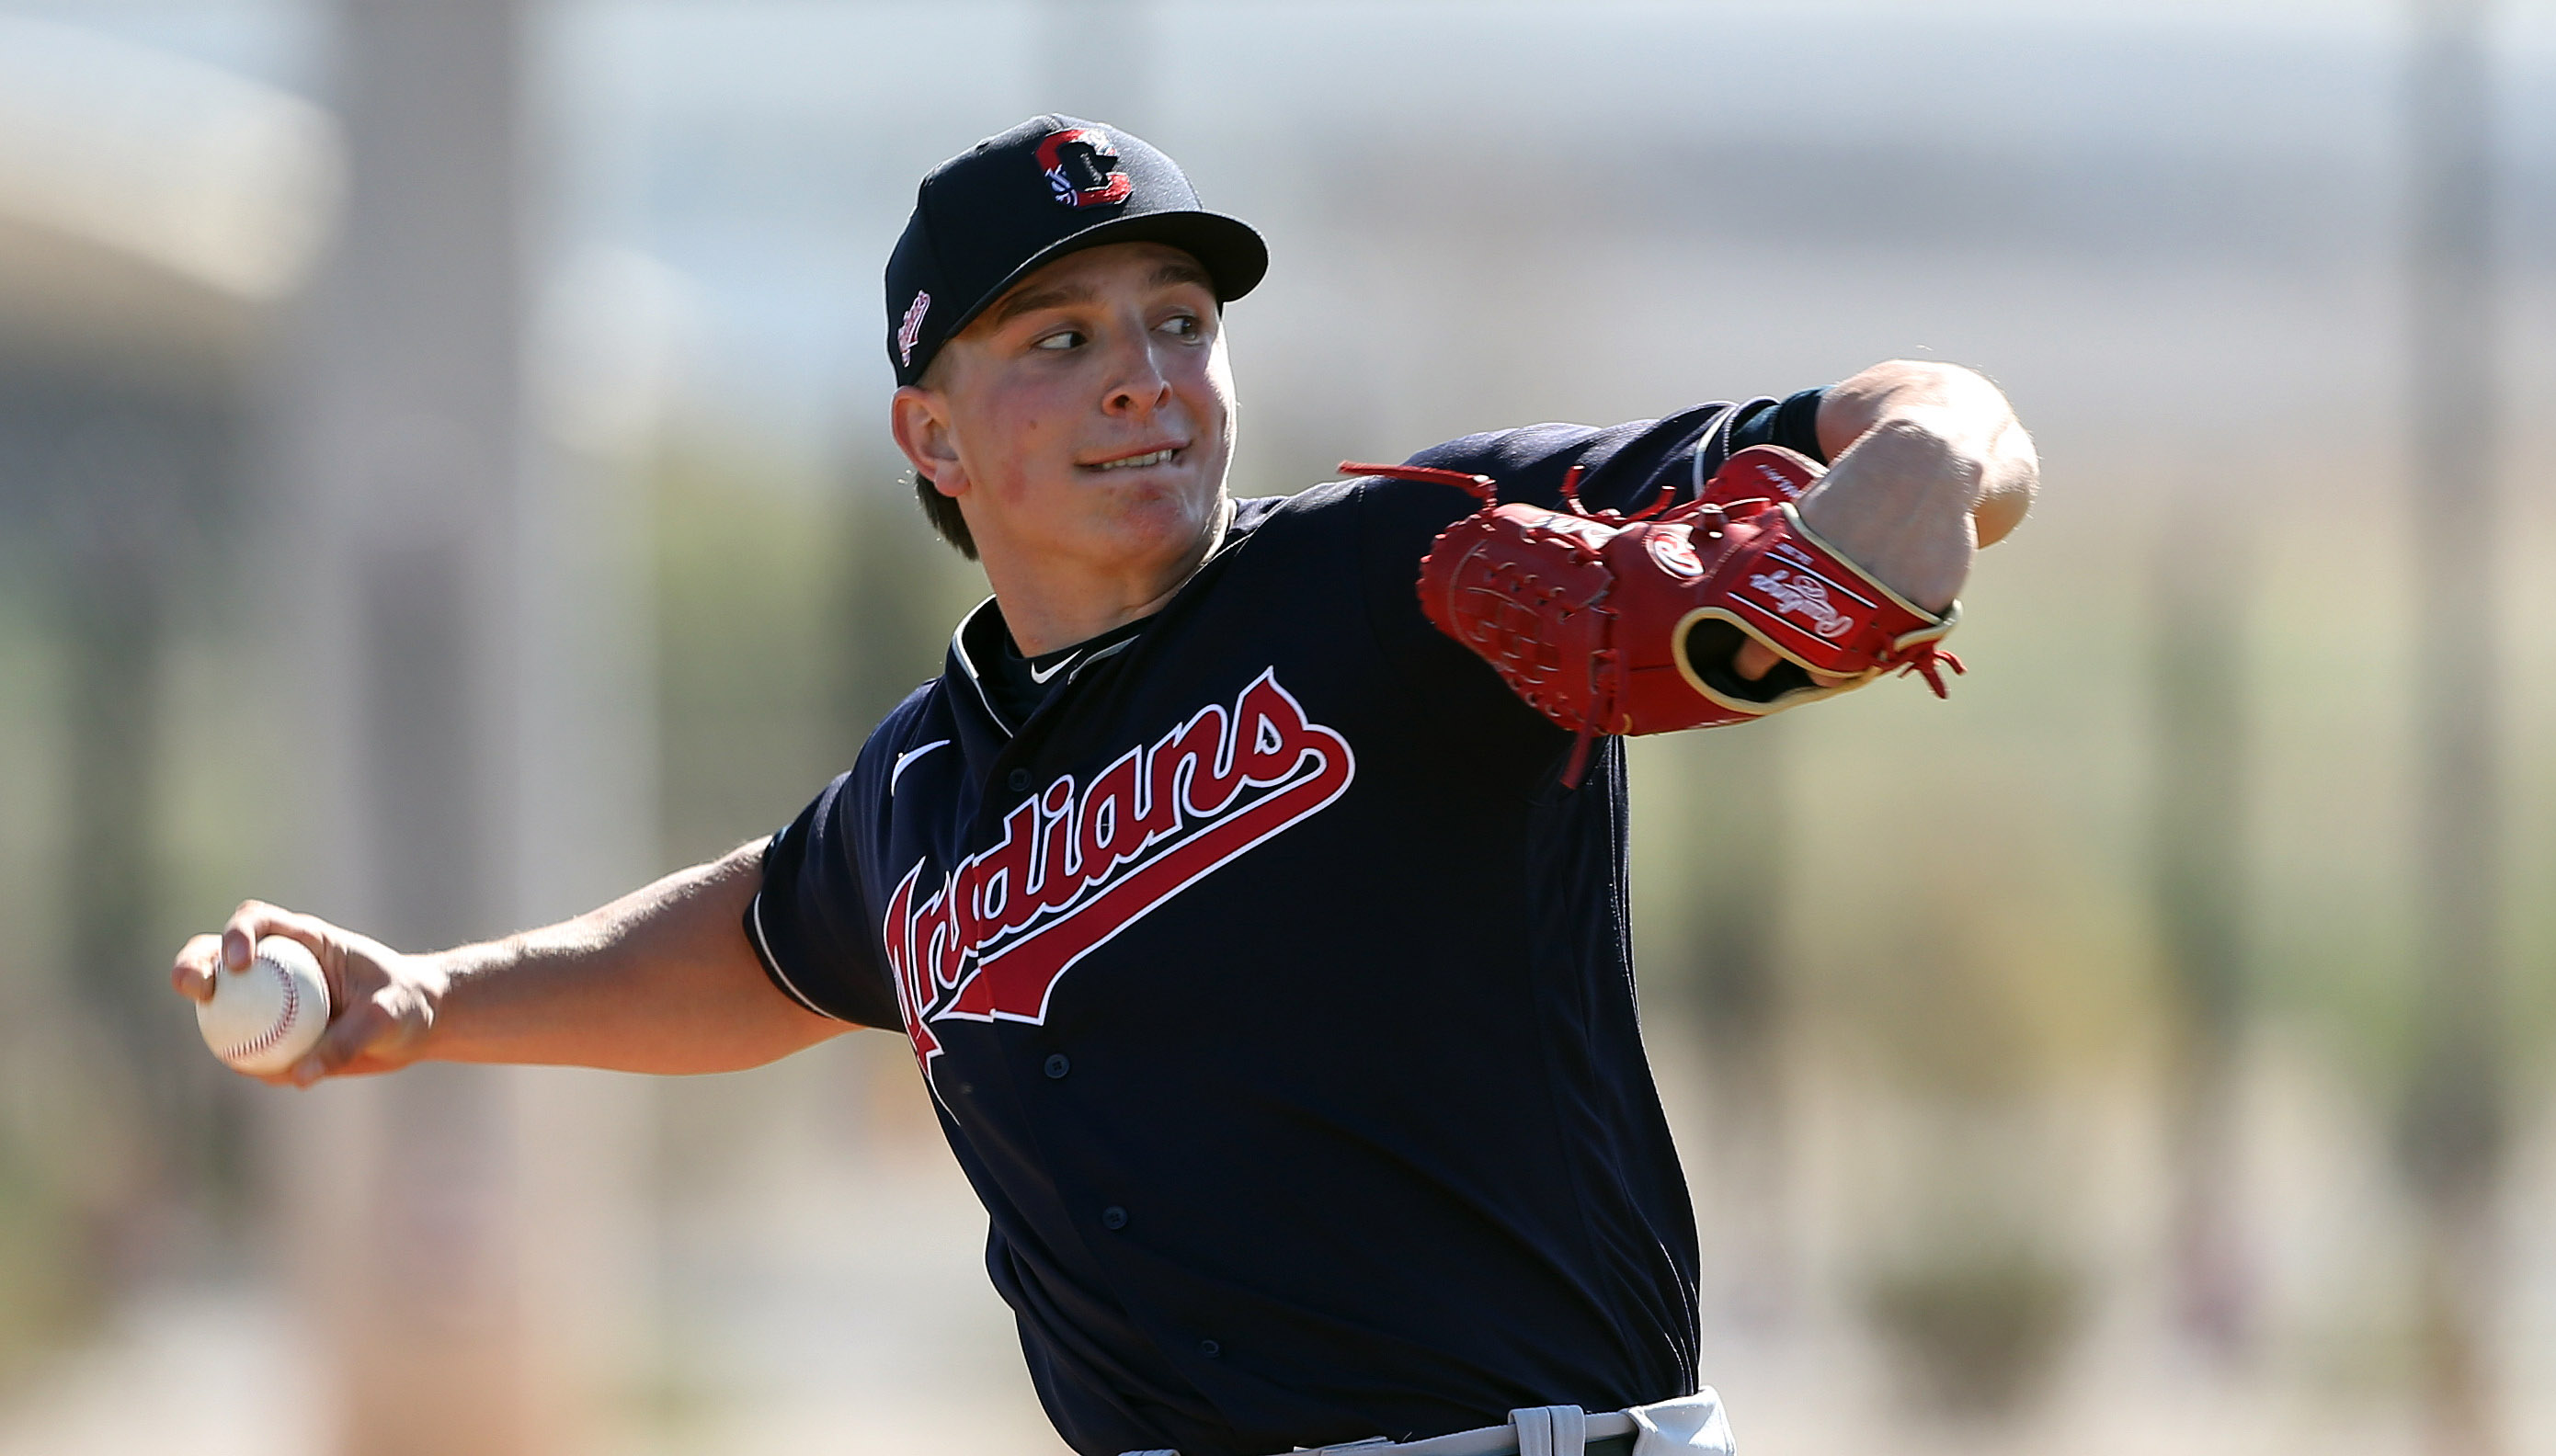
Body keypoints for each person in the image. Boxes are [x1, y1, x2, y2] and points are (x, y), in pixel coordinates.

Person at [171, 116, 2034, 1456]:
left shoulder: (1405, 567)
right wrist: (422, 1004)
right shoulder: (922, 790)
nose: (1146, 379)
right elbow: (762, 943)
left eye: (1177, 322)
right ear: (931, 433)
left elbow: (1938, 424)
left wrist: (1922, 467)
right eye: (1061, 343)